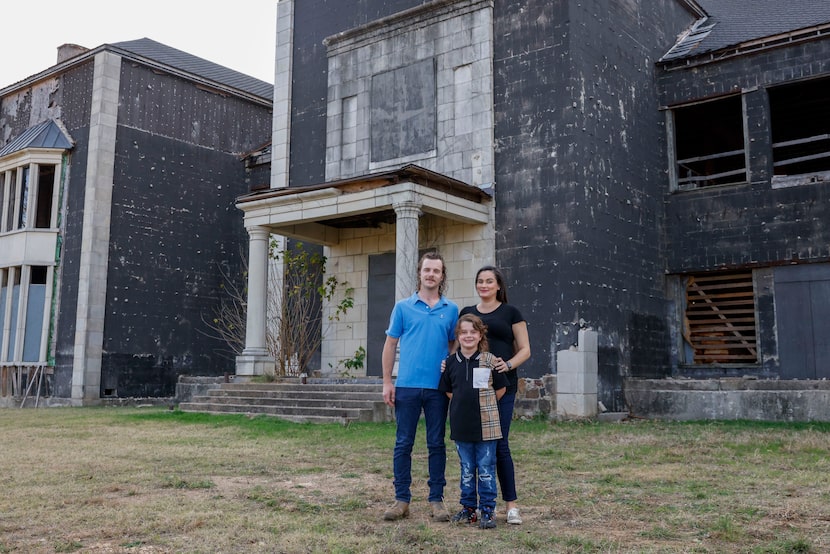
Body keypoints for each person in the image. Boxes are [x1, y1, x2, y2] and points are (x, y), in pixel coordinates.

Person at [381, 251, 459, 522]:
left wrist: (449, 364)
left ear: (441, 275)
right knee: (403, 443)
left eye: (436, 271)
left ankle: (437, 500)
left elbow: (453, 343)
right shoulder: (403, 307)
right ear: (420, 273)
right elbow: (390, 344)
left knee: (436, 443)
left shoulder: (451, 310)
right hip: (407, 386)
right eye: (427, 270)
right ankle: (401, 500)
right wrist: (388, 382)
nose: (431, 275)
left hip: (438, 388)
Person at [459, 265, 531, 525]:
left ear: (499, 285)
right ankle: (473, 507)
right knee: (471, 446)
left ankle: (511, 506)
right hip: (472, 393)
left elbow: (525, 349)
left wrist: (508, 365)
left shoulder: (511, 312)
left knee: (500, 444)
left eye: (489, 281)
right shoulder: (467, 313)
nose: (484, 285)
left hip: (502, 387)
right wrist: (448, 364)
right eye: (480, 281)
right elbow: (458, 346)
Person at [439, 314, 508, 530]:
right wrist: (464, 404)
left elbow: (501, 389)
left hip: (487, 425)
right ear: (458, 336)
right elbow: (449, 391)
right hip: (461, 426)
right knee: (467, 468)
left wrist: (483, 404)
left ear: (480, 335)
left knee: (486, 468)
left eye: (473, 332)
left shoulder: (490, 360)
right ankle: (469, 509)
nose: (468, 336)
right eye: (463, 332)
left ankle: (487, 510)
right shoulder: (450, 363)